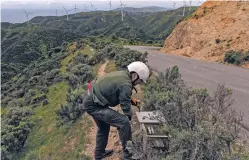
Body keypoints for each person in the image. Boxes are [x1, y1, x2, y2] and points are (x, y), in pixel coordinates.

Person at [83, 61, 150, 160]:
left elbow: (122, 94)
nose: (138, 84)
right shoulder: (126, 84)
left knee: (103, 127)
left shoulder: (123, 75)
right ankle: (128, 155)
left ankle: (99, 154)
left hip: (90, 99)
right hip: (94, 106)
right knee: (124, 122)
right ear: (135, 75)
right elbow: (125, 104)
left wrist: (133, 102)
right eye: (139, 81)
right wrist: (129, 115)